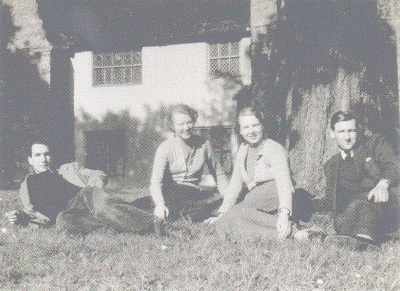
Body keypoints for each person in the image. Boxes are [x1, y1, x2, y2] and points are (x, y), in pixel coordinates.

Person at [5, 139, 156, 234]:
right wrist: (19, 215)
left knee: (101, 207)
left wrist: (92, 187)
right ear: (30, 160)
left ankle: (154, 224)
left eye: (47, 154)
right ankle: (130, 217)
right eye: (38, 155)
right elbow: (32, 209)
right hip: (67, 212)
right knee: (64, 223)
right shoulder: (28, 184)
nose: (43, 159)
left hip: (85, 197)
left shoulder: (69, 169)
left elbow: (97, 174)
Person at [209, 107, 296, 241]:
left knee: (233, 217)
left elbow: (284, 183)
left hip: (275, 192)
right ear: (241, 131)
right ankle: (294, 234)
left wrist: (284, 213)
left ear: (262, 127)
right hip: (255, 196)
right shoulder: (243, 150)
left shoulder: (273, 148)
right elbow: (234, 186)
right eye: (246, 127)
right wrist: (222, 212)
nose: (251, 131)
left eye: (255, 125)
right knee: (229, 221)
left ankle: (289, 228)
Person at [322, 111, 399, 249]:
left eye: (351, 131)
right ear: (332, 134)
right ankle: (353, 240)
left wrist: (383, 184)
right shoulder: (331, 165)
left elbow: (394, 165)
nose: (347, 137)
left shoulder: (374, 144)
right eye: (341, 132)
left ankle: (364, 241)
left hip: (383, 203)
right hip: (352, 213)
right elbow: (330, 200)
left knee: (364, 204)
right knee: (348, 213)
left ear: (358, 131)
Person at [150, 104, 228, 222]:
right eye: (180, 124)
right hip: (170, 192)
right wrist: (160, 203)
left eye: (189, 122)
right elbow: (156, 182)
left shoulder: (204, 144)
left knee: (200, 210)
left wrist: (228, 201)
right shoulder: (165, 148)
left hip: (192, 193)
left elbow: (219, 174)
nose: (186, 128)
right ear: (172, 126)